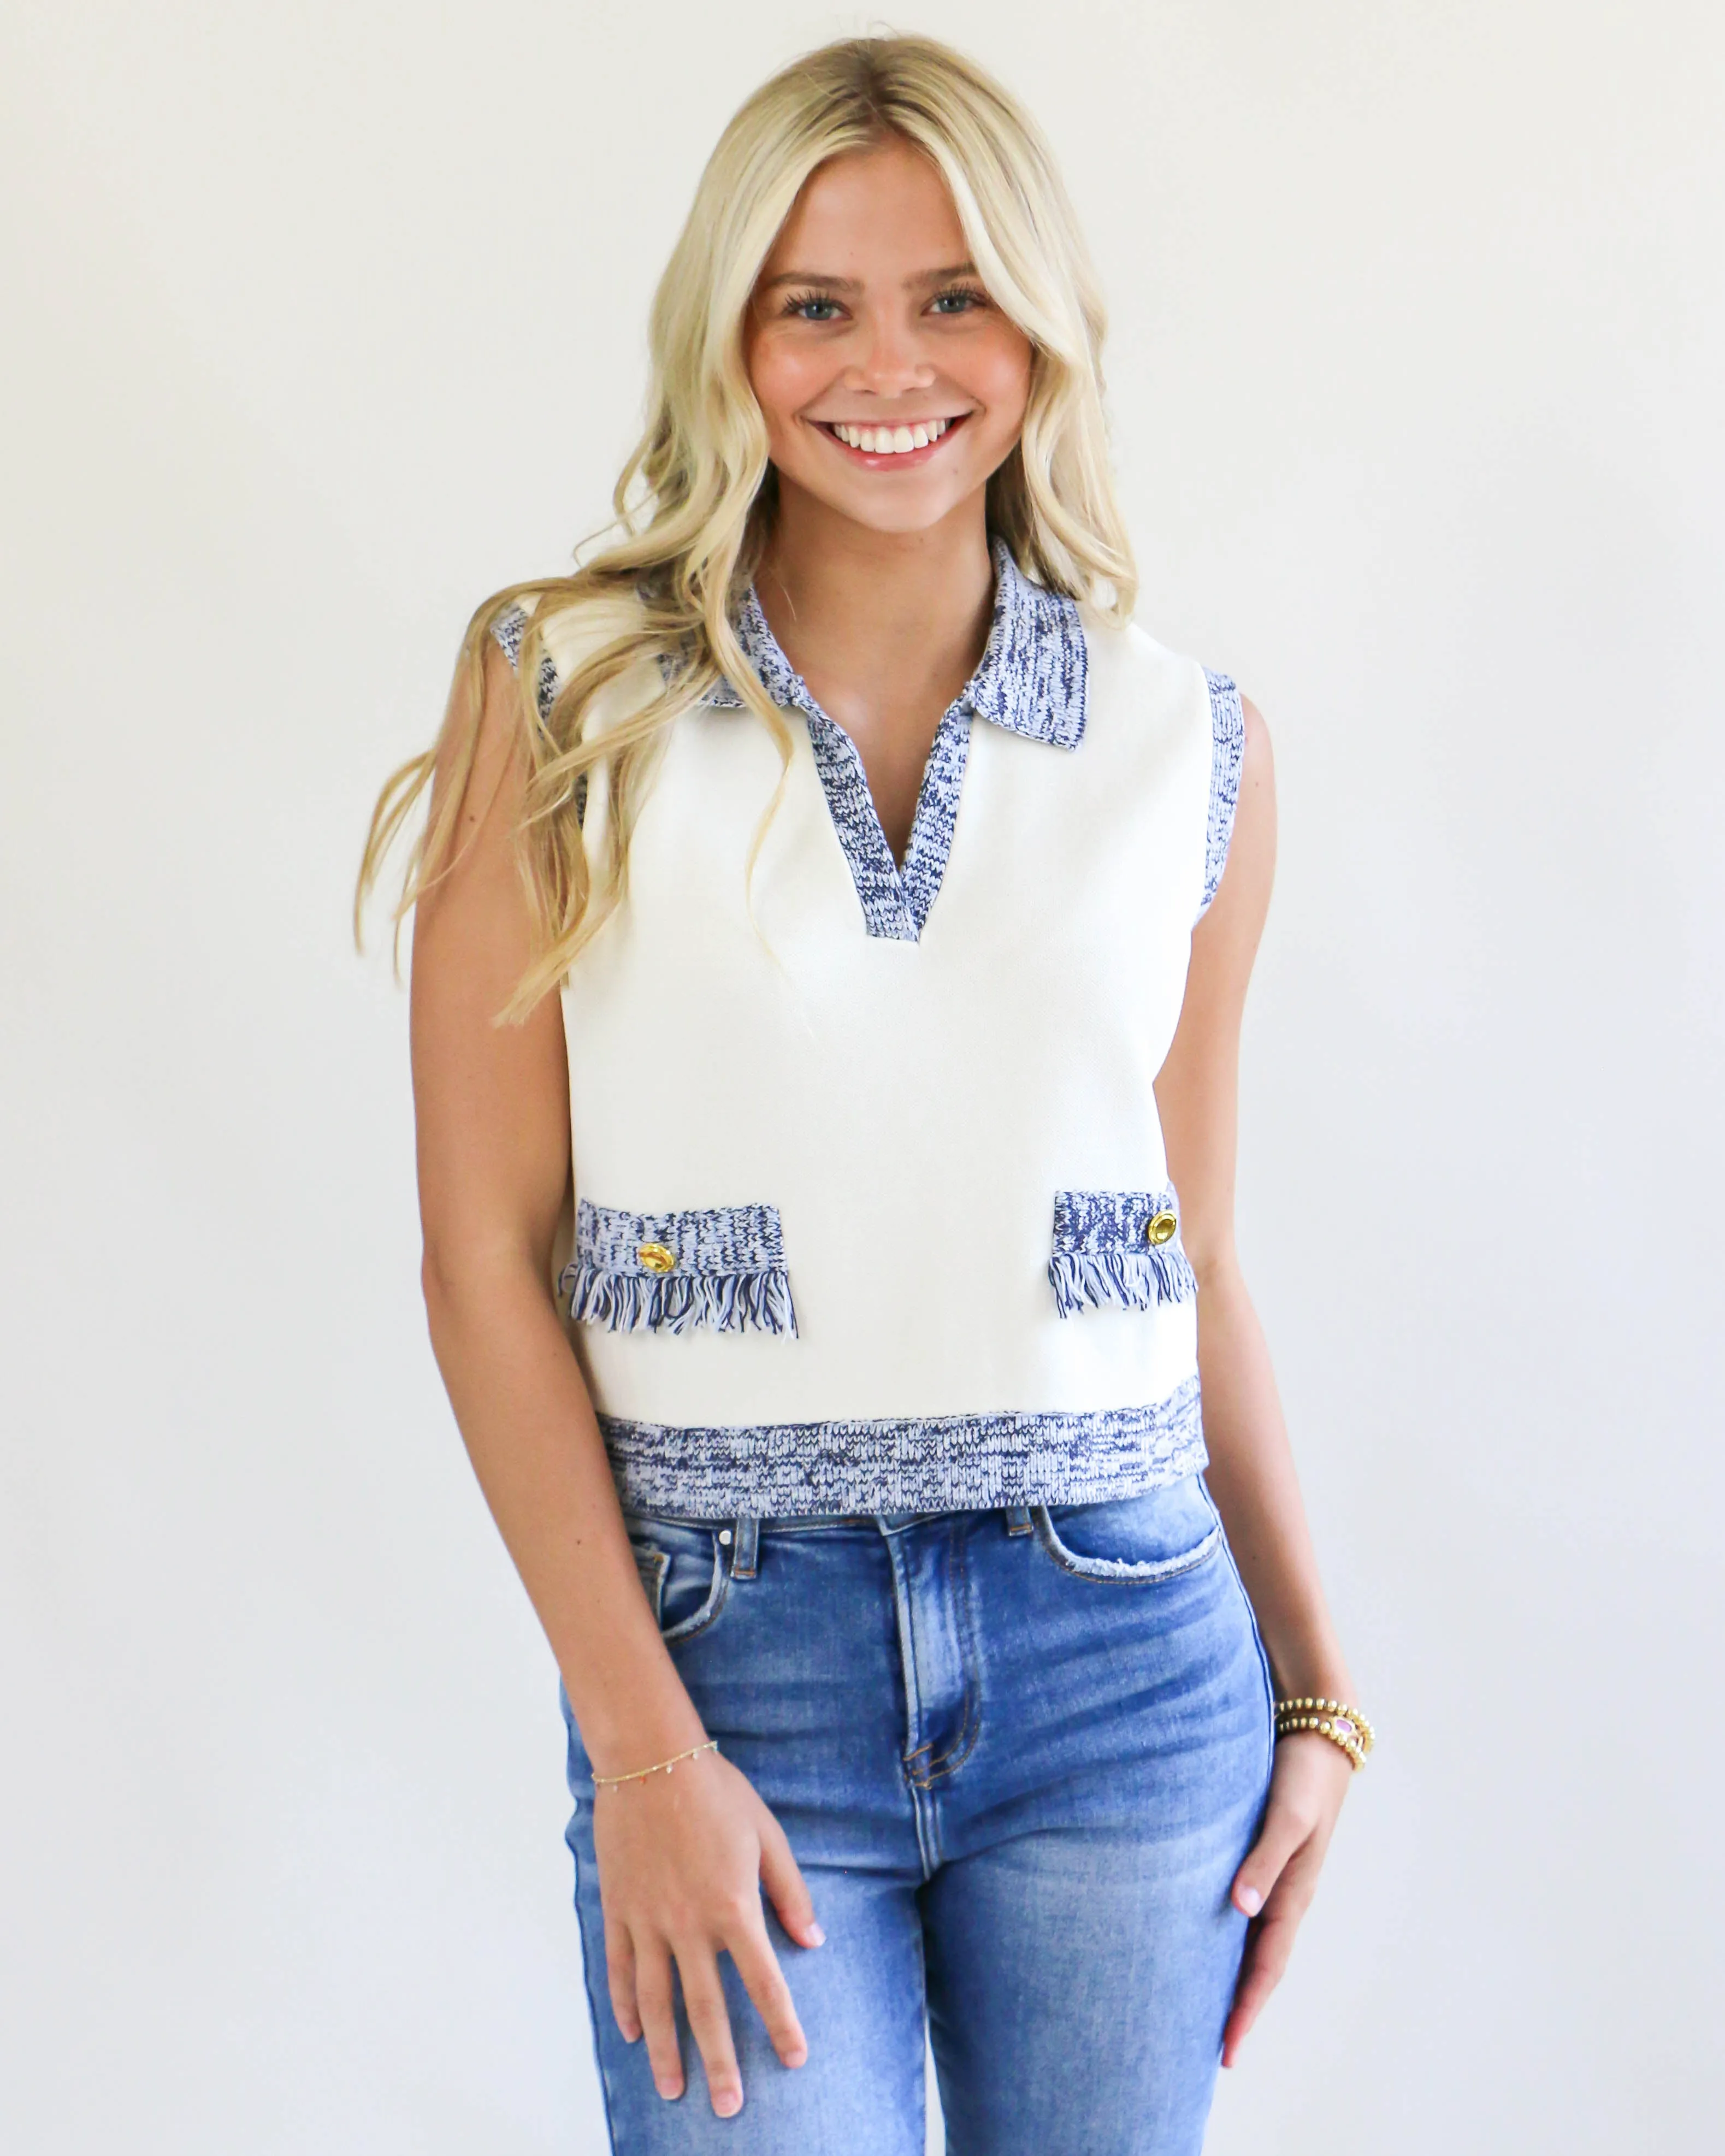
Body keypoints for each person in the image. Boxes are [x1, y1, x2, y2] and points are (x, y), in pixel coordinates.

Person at [357, 33, 1370, 2155]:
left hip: (1127, 1654)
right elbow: (479, 1262)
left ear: (1041, 331)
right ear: (726, 330)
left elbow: (1192, 1255)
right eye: (815, 300)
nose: (886, 364)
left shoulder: (1198, 744)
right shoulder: (563, 697)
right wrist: (645, 1750)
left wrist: (1315, 1684)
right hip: (735, 1654)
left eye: (953, 296)